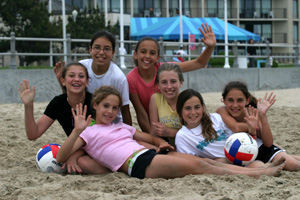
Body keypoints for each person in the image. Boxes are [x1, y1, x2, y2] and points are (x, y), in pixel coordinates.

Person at [56, 85, 285, 179]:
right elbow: (60, 157)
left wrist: (159, 143)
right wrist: (76, 132)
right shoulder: (88, 132)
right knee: (201, 166)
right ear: (95, 106)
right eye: (105, 106)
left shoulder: (122, 126)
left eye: (115, 107)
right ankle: (257, 174)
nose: (110, 111)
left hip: (152, 154)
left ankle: (257, 168)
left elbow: (148, 137)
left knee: (207, 164)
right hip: (138, 163)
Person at [18, 62, 110, 174]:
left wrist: (73, 155)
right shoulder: (58, 103)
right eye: (71, 76)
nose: (76, 79)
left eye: (81, 76)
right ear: (63, 81)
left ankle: (118, 168)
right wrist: (28, 106)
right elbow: (33, 134)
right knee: (81, 163)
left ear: (87, 82)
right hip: (82, 150)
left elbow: (100, 139)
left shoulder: (95, 104)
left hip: (103, 147)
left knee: (81, 162)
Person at [127, 23, 216, 133]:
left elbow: (199, 63)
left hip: (177, 125)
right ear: (135, 54)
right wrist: (154, 139)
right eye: (143, 52)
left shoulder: (166, 70)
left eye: (152, 53)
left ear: (158, 57)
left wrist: (210, 47)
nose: (147, 56)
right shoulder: (131, 79)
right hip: (155, 128)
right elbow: (141, 114)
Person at [217, 81, 300, 171]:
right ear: (224, 100)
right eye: (230, 100)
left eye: (240, 100)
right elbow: (236, 127)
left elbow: (268, 143)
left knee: (294, 165)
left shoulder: (252, 113)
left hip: (260, 148)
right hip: (241, 155)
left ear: (247, 100)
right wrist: (251, 127)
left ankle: (285, 155)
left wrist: (262, 115)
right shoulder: (222, 110)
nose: (235, 105)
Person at [54, 30, 131, 126]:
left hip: (111, 124)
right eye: (97, 48)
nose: (101, 52)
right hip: (84, 121)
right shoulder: (81, 68)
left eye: (106, 49)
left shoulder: (118, 77)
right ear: (90, 49)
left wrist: (128, 135)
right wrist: (63, 84)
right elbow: (70, 98)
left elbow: (125, 111)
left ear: (113, 52)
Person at [175, 88, 268, 168]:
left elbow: (238, 139)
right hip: (222, 166)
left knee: (262, 164)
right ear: (180, 110)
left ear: (203, 107)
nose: (193, 112)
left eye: (197, 107)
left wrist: (252, 131)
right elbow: (191, 163)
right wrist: (217, 161)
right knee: (259, 167)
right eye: (187, 108)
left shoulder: (215, 118)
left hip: (242, 155)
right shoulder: (182, 136)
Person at [149, 63, 183, 147]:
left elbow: (196, 134)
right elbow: (154, 133)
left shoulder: (188, 100)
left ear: (181, 83)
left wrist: (171, 132)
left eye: (173, 81)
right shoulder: (155, 99)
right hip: (168, 147)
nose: (169, 86)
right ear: (158, 85)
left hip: (188, 147)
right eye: (164, 82)